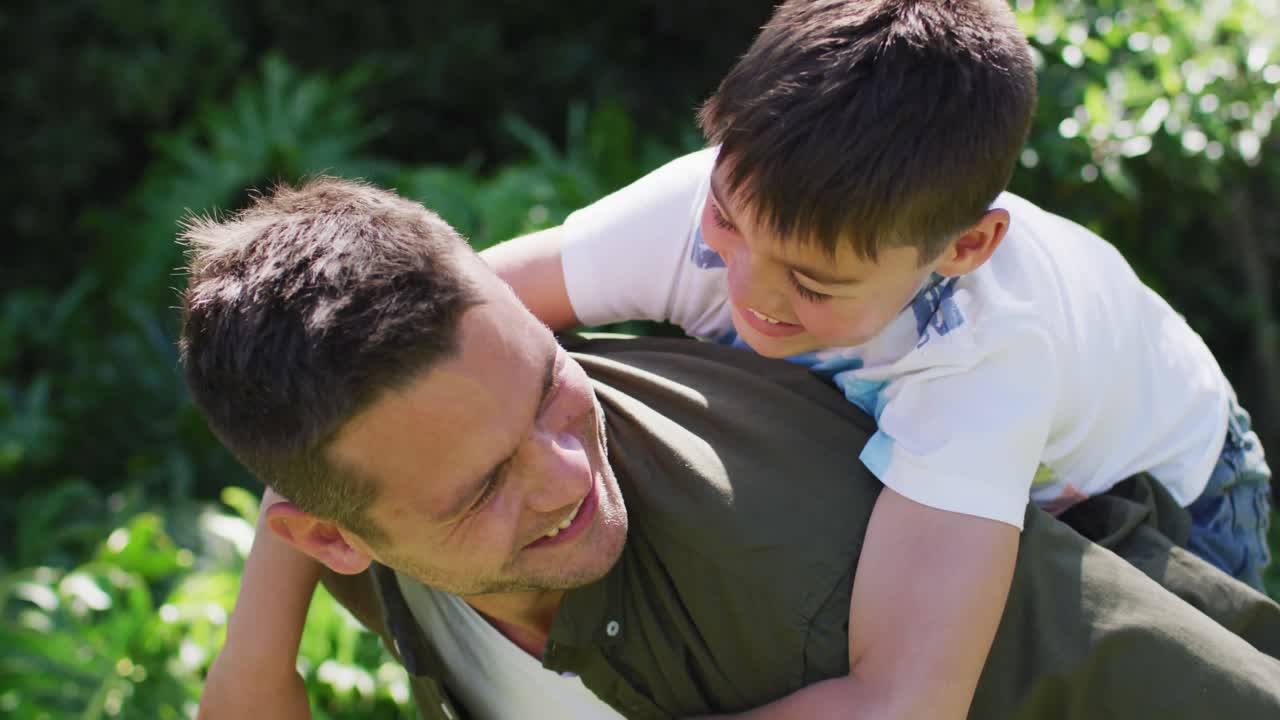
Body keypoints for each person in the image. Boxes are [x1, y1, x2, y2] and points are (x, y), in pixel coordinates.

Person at [200, 1, 1273, 716]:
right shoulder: (702, 211)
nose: (752, 295)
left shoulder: (980, 350)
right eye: (728, 225)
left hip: (1147, 486)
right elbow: (355, 382)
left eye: (812, 283)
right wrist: (260, 650)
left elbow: (901, 700)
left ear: (961, 247)